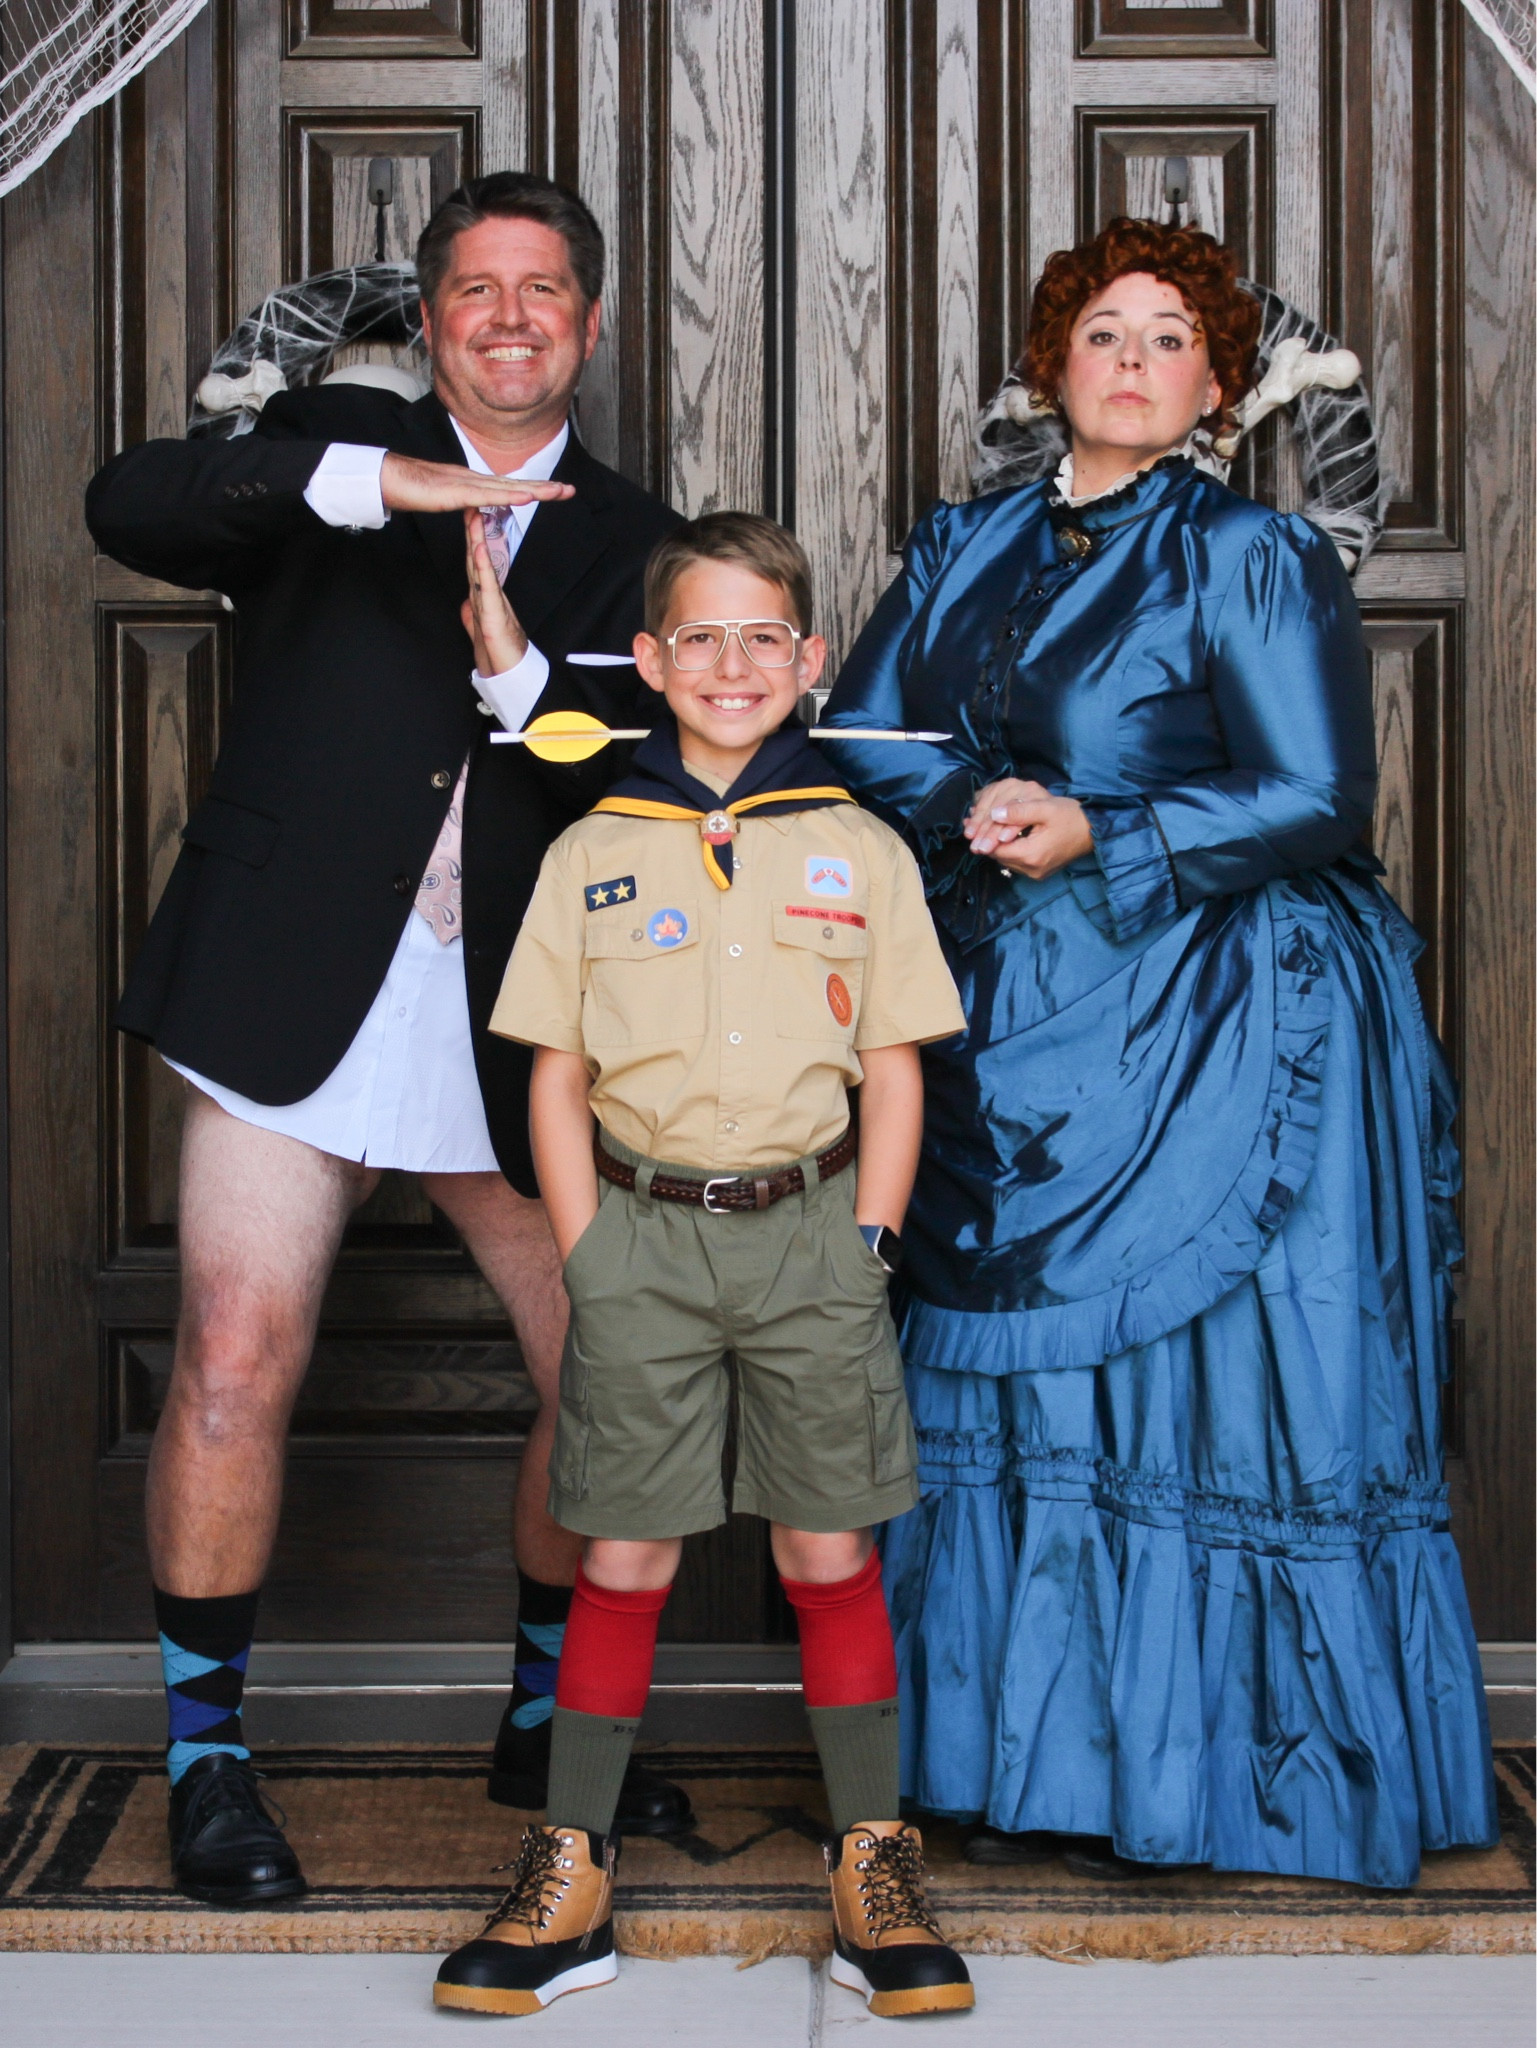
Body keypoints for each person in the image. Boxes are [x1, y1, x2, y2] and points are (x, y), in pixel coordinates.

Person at [819, 217, 1498, 1891]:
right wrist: (965, 805)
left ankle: (1226, 1782)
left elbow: (1313, 798)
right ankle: (1008, 1763)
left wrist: (1095, 827)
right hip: (1001, 1005)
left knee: (1194, 1392)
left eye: (1169, 338)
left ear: (1217, 384)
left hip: (1208, 1002)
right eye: (1100, 333)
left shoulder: (1251, 554)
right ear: (1053, 364)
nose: (1130, 361)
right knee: (1021, 1379)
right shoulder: (961, 539)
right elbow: (865, 735)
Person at [83, 171, 691, 1907]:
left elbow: (646, 773)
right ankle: (205, 1764)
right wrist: (372, 476)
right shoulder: (322, 448)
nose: (509, 316)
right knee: (227, 1357)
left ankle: (541, 1723)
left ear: (590, 321)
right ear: (429, 319)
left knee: (608, 1376)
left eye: (544, 290)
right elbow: (130, 502)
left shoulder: (636, 532)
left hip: (521, 1014)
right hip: (291, 988)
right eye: (475, 290)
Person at [432, 513, 974, 2018]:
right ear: (652, 664)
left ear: (806, 662)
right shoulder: (595, 844)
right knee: (621, 1554)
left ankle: (871, 1859)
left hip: (810, 1232)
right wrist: (589, 1252)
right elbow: (548, 1072)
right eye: (701, 640)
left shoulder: (857, 844)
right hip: (641, 1235)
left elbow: (893, 1064)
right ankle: (573, 1870)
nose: (731, 666)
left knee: (828, 1550)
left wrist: (865, 1239)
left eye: (763, 639)